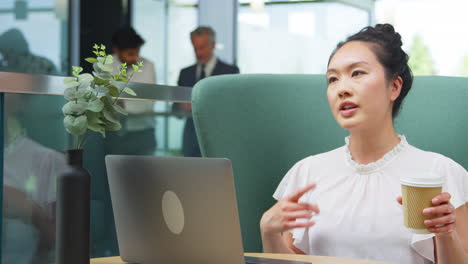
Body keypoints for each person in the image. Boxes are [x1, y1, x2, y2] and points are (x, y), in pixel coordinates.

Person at [260, 24, 467, 264]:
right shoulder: (307, 172)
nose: (342, 89)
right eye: (333, 79)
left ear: (394, 87)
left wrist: (445, 234)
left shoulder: (439, 172)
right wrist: (269, 232)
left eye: (357, 73)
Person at [173, 26, 240, 157]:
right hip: (191, 141)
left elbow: (232, 108)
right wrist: (181, 106)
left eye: (202, 47)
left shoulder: (230, 72)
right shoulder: (185, 73)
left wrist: (201, 106)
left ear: (213, 45)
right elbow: (175, 110)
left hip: (220, 138)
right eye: (195, 48)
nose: (198, 53)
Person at [108, 26, 157, 155]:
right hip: (113, 134)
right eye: (130, 54)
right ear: (116, 51)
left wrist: (120, 105)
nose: (135, 58)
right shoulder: (104, 66)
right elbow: (100, 101)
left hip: (143, 131)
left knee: (146, 173)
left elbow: (148, 102)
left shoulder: (148, 66)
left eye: (137, 52)